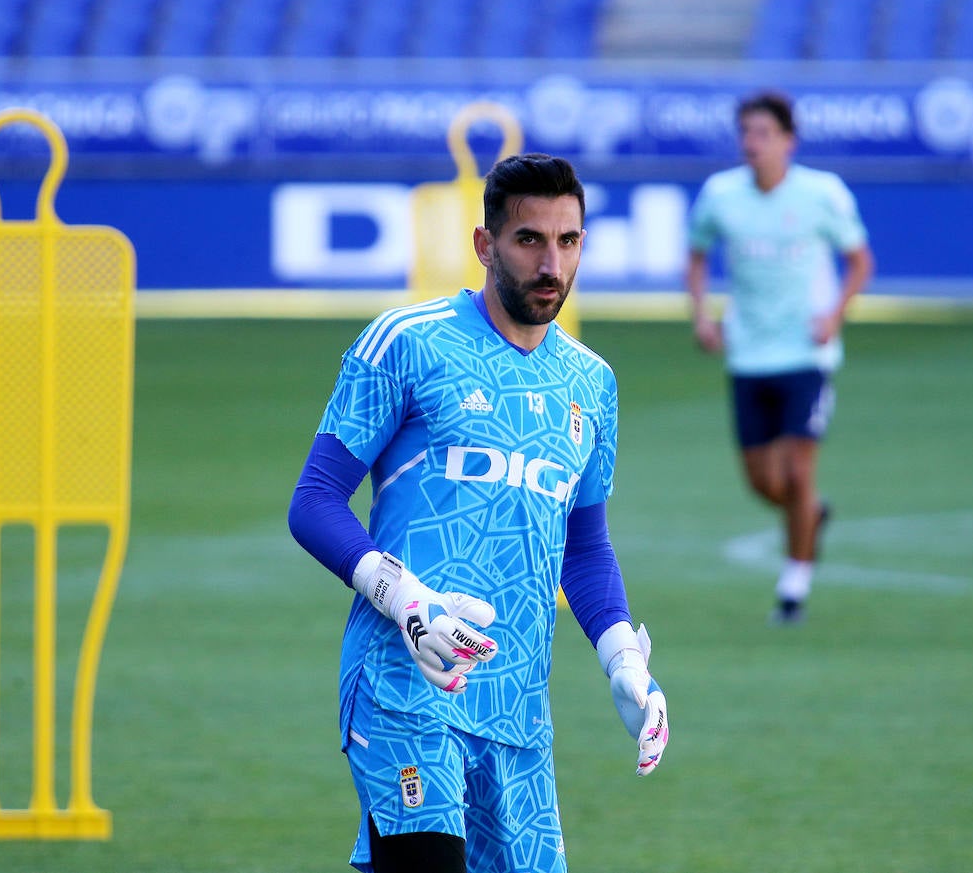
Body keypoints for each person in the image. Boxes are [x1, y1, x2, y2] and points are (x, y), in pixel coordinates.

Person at [289, 153, 669, 873]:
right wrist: (406, 599)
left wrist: (624, 659)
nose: (551, 262)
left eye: (568, 240)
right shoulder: (408, 342)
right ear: (485, 245)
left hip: (519, 710)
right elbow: (313, 500)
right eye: (530, 239)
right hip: (407, 683)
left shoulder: (592, 382)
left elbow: (583, 548)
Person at [687, 91, 874, 625]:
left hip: (807, 355)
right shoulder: (720, 195)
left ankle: (793, 587)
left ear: (788, 141)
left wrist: (836, 313)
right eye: (746, 132)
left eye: (763, 133)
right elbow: (696, 255)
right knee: (765, 484)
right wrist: (702, 315)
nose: (752, 143)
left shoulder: (822, 194)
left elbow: (860, 260)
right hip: (748, 355)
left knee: (797, 468)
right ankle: (810, 516)